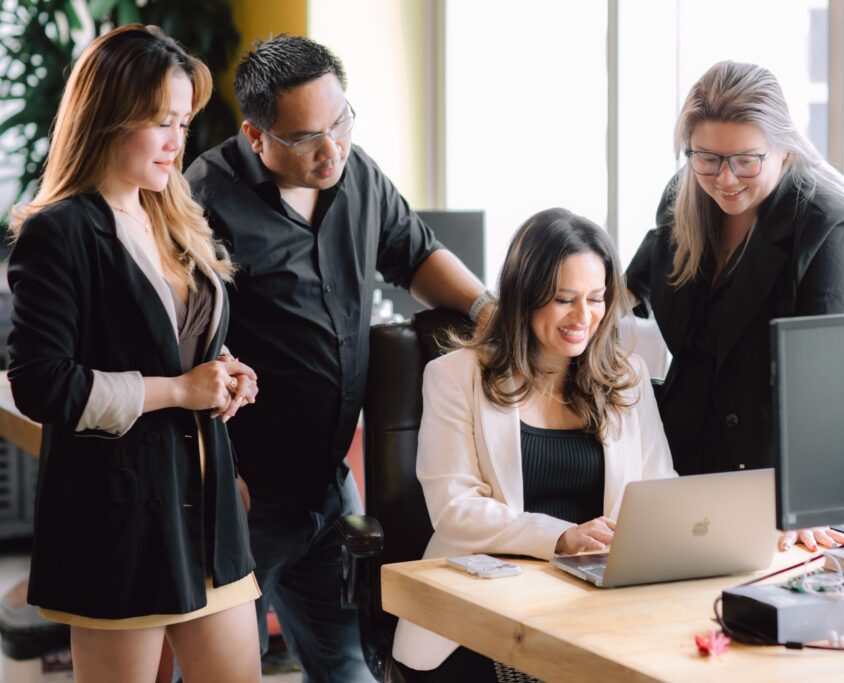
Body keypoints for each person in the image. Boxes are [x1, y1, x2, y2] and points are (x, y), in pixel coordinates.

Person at [185, 35, 491, 682]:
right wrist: (219, 470)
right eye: (306, 138)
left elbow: (415, 255)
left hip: (328, 486)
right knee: (215, 670)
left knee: (350, 667)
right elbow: (183, 347)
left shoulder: (358, 175)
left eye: (341, 122)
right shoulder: (205, 200)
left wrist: (489, 311)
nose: (332, 150)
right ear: (257, 134)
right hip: (245, 498)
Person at [6, 25, 262, 683]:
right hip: (117, 518)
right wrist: (179, 390)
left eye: (182, 120)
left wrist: (222, 369)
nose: (179, 140)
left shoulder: (172, 213)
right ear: (109, 118)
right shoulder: (58, 231)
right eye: (160, 121)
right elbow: (42, 383)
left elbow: (177, 333)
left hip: (207, 509)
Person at [391, 208, 678, 680]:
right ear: (524, 296)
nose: (582, 318)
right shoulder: (455, 376)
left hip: (593, 604)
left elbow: (659, 488)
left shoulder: (627, 379)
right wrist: (560, 538)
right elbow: (454, 507)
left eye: (597, 298)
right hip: (481, 604)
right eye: (564, 299)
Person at [625, 61, 844, 552]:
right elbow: (640, 273)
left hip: (776, 485)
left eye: (747, 160)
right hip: (681, 467)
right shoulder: (682, 199)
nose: (725, 179)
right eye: (706, 157)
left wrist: (802, 501)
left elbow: (835, 387)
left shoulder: (831, 229)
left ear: (784, 148)